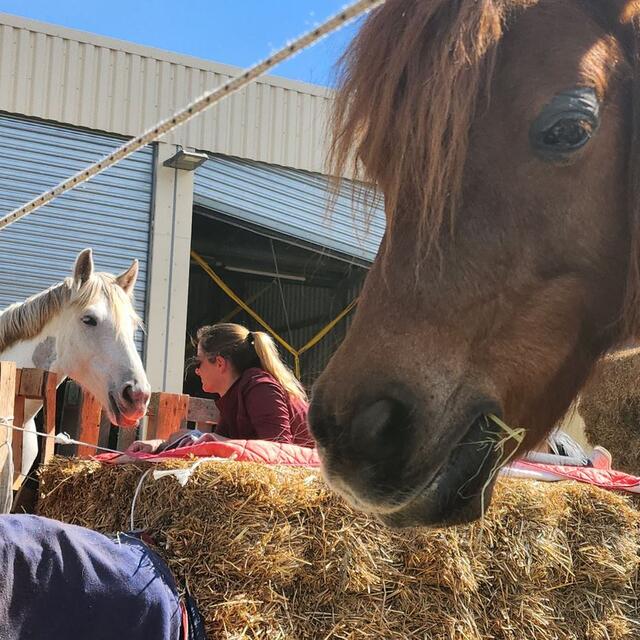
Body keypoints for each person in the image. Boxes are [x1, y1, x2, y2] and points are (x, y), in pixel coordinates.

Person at [129, 323, 314, 453]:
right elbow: (223, 444)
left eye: (199, 362)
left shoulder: (261, 387)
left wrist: (203, 438)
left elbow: (280, 449)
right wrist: (159, 445)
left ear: (219, 363)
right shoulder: (233, 395)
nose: (197, 370)